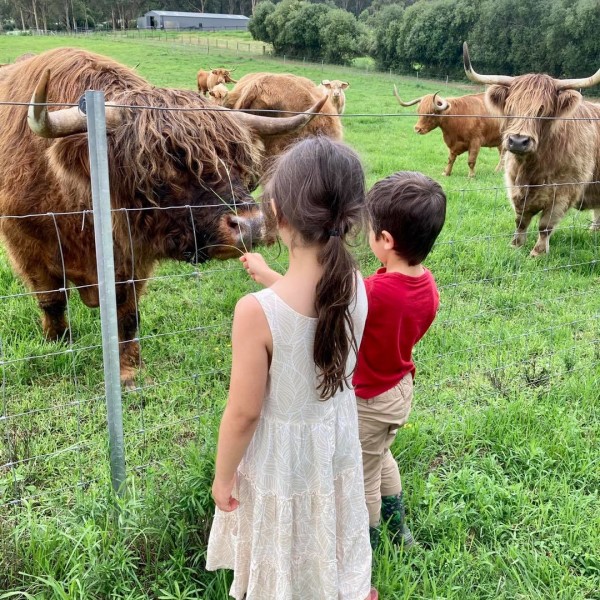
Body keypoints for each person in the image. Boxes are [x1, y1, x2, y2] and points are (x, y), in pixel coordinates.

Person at [206, 137, 377, 600]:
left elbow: (244, 415)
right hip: (333, 445)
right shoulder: (356, 285)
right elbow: (311, 314)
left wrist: (223, 479)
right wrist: (267, 275)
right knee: (326, 524)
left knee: (286, 537)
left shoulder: (255, 313)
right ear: (351, 214)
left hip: (282, 460)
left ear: (278, 213)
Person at [353, 172, 446, 550]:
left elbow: (321, 305)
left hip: (370, 399)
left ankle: (369, 542)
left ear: (386, 240)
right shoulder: (428, 285)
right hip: (399, 388)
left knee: (362, 475)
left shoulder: (372, 292)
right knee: (381, 458)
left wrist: (266, 274)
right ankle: (400, 530)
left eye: (371, 231)